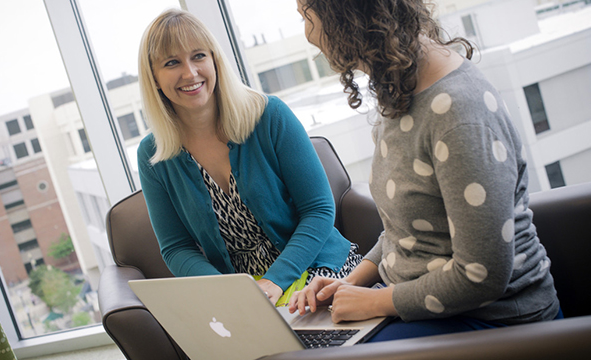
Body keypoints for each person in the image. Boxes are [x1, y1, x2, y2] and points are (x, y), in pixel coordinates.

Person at [290, 0, 561, 341]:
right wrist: (350, 284)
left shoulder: (459, 114)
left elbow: (482, 274)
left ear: (345, 17)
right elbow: (406, 232)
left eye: (305, 16)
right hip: (423, 304)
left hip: (498, 323)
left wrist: (377, 300)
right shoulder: (404, 87)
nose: (308, 34)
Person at [137, 8, 362, 305]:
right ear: (154, 77)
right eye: (172, 62)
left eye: (199, 56)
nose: (190, 73)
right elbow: (176, 248)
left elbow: (318, 210)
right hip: (241, 294)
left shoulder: (270, 115)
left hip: (317, 267)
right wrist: (233, 292)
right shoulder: (152, 154)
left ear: (215, 59)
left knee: (312, 345)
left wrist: (275, 281)